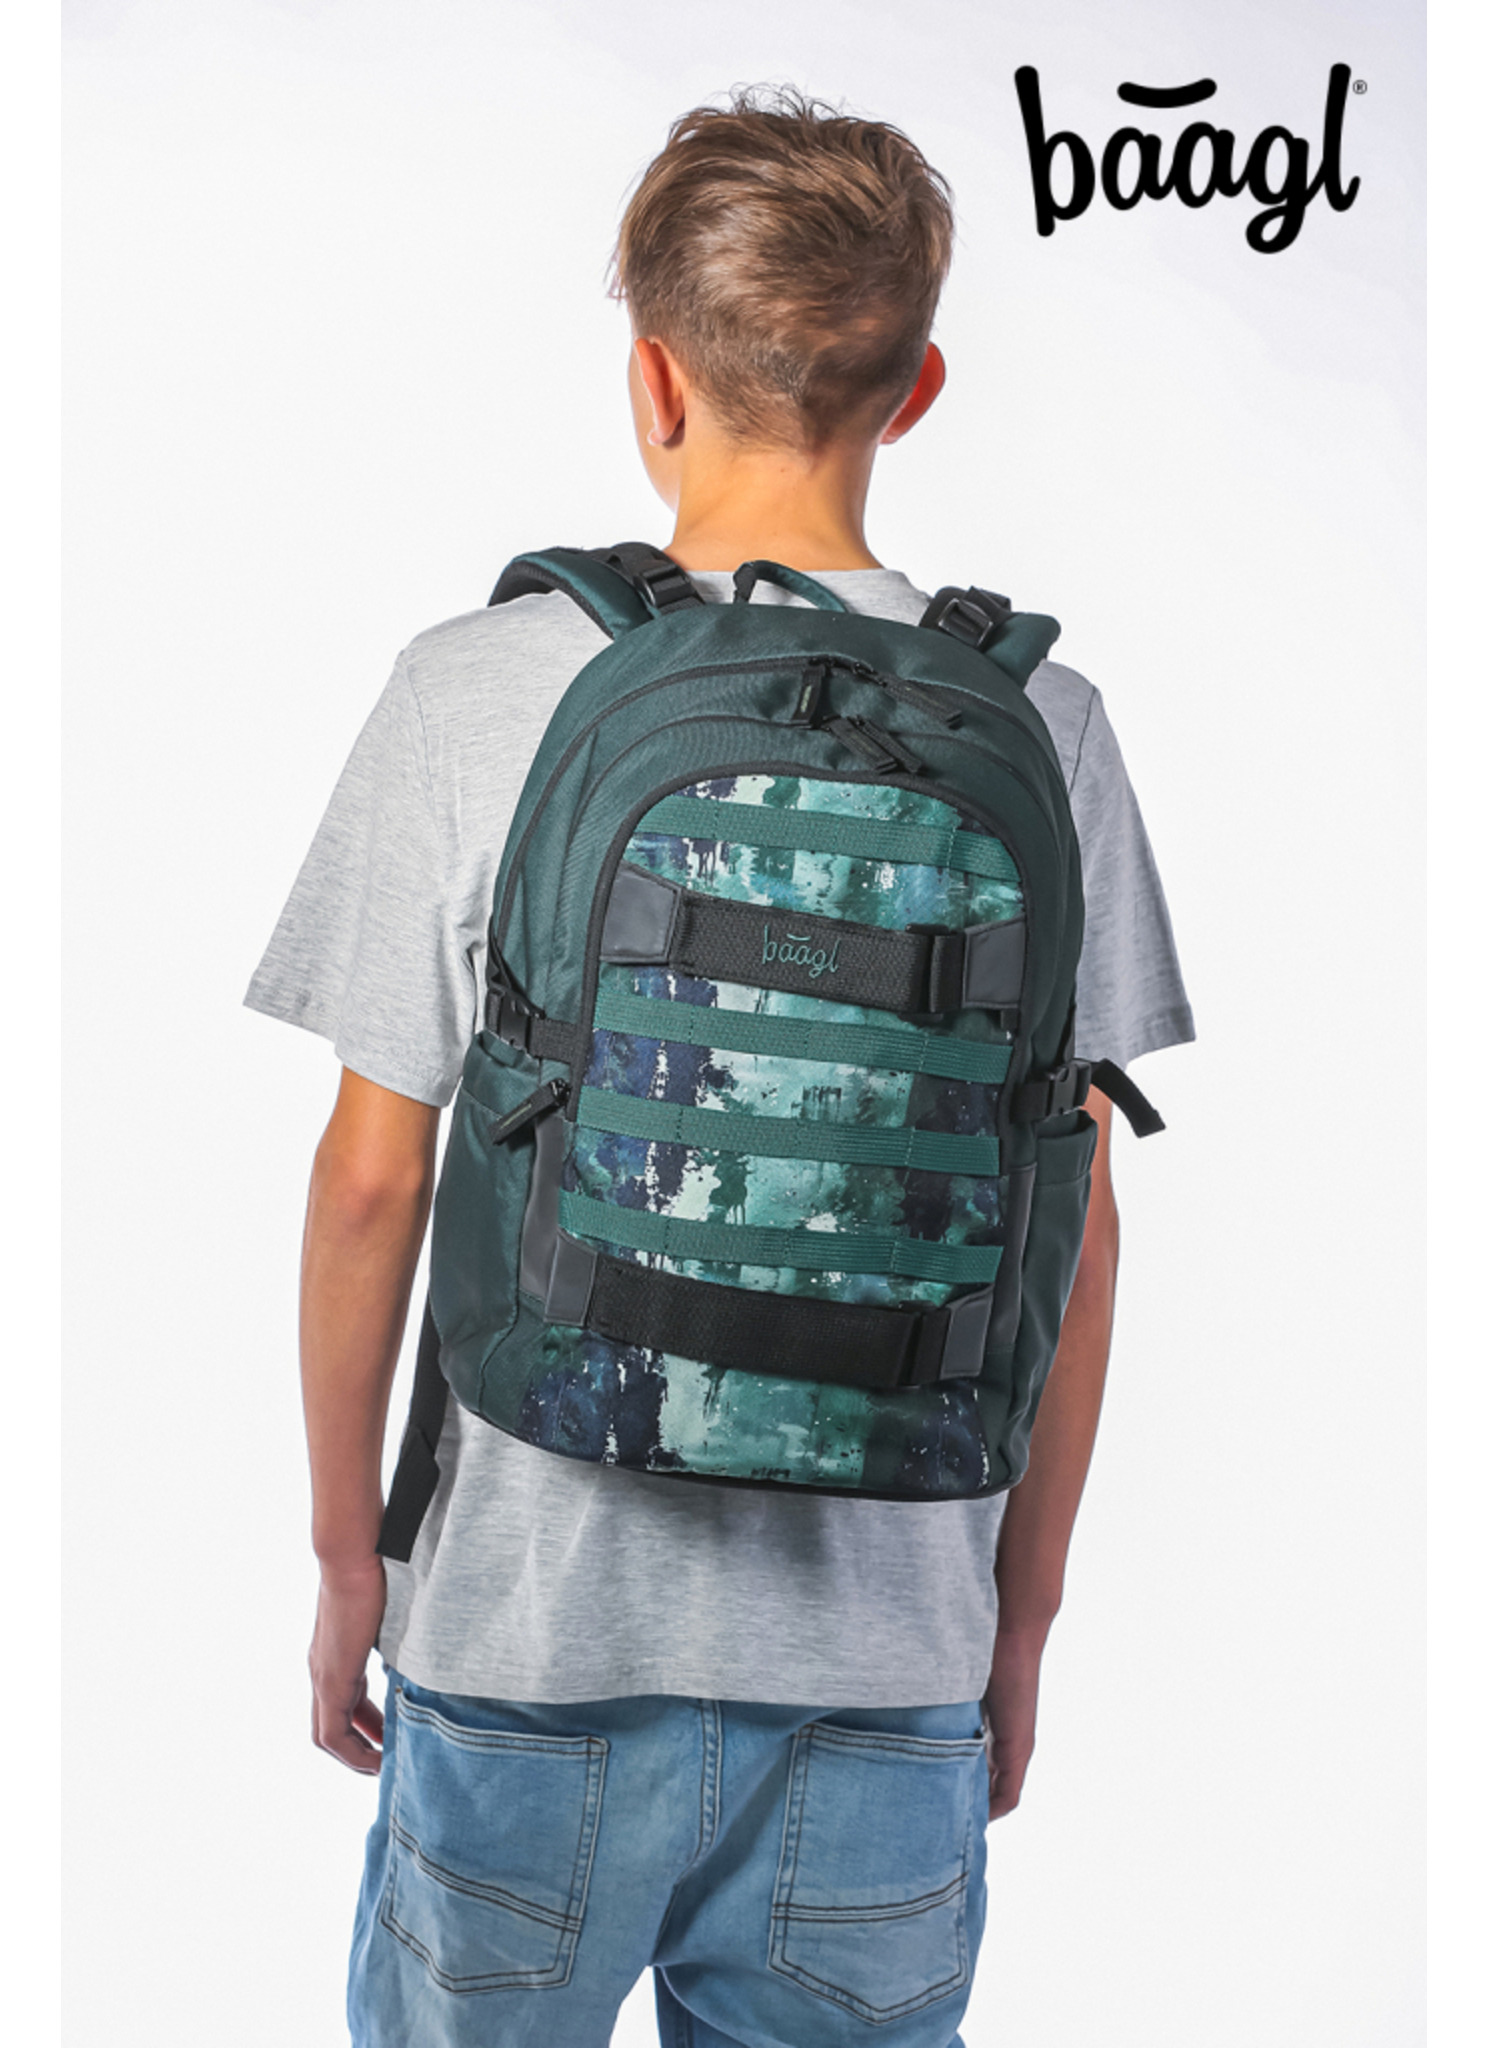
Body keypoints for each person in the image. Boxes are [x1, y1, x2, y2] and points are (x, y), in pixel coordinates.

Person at [246, 86, 1194, 2048]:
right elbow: (1077, 1225)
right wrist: (1018, 1621)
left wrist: (353, 1561)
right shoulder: (1047, 721)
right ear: (915, 387)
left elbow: (370, 1179)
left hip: (527, 1640)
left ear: (653, 381)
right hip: (885, 1668)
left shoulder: (475, 689)